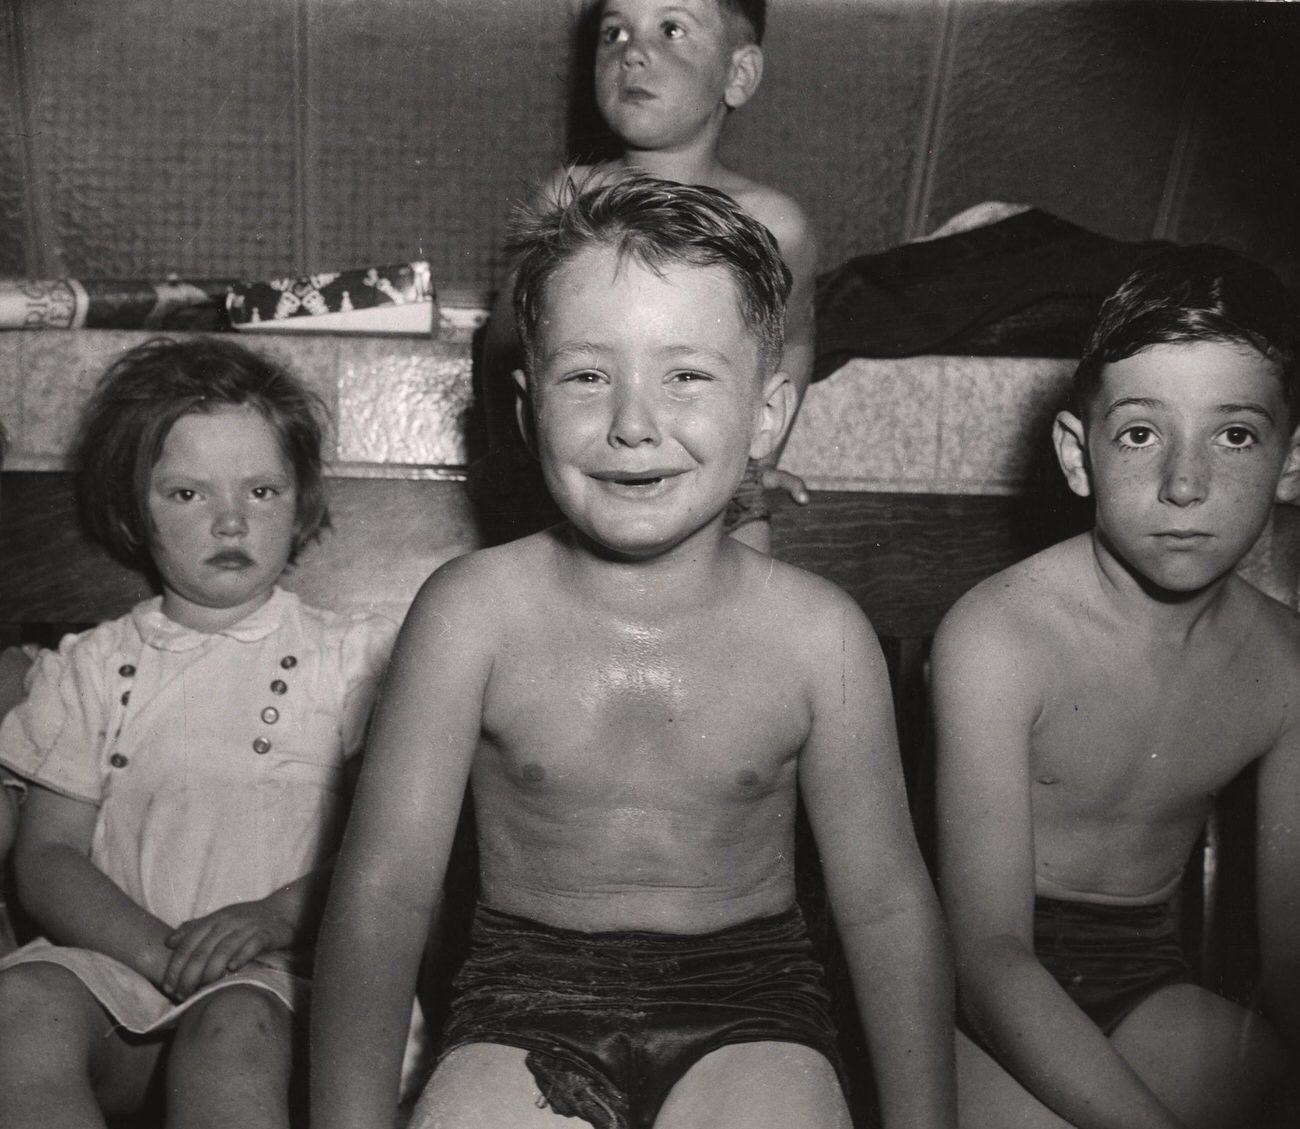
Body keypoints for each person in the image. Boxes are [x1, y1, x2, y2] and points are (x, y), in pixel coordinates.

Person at [312, 176, 955, 1129]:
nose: (633, 422)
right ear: (528, 411)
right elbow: (384, 893)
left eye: (686, 374)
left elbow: (887, 910)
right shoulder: (471, 614)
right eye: (587, 375)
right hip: (521, 1006)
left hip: (754, 1010)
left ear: (769, 415)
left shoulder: (820, 635)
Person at [931, 246, 1300, 1129]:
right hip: (967, 989)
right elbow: (986, 956)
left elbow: (1290, 960)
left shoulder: (1286, 664)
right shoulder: (997, 634)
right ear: (1076, 453)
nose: (1185, 482)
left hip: (1143, 979)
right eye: (1141, 432)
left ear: (1291, 460)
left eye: (1235, 434)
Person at [0, 337, 396, 1129]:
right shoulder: (90, 668)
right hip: (124, 975)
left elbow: (389, 848)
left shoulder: (355, 659)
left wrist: (278, 914)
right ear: (130, 510)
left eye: (261, 489)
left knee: (229, 1029)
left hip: (280, 989)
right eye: (186, 493)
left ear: (302, 501)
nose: (228, 518)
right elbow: (46, 856)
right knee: (17, 1004)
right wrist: (156, 954)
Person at [475, 0, 816, 551]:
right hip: (574, 475)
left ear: (739, 73)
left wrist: (757, 459)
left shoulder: (777, 223)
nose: (632, 53)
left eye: (672, 29)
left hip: (714, 480)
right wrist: (507, 457)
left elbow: (793, 342)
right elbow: (504, 347)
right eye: (613, 33)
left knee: (743, 603)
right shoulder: (565, 199)